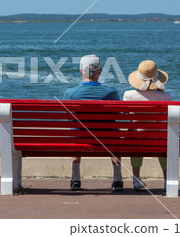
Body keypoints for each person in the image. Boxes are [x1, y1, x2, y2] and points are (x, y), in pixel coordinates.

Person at [63, 54, 124, 191]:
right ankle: (118, 179)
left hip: (80, 139)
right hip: (107, 140)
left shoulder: (70, 93)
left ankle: (75, 179)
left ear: (80, 72)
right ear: (100, 72)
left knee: (75, 132)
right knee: (116, 133)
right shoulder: (111, 93)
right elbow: (119, 116)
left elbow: (68, 119)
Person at [123, 60, 171, 191]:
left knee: (135, 136)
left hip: (137, 140)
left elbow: (125, 116)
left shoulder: (129, 95)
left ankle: (136, 179)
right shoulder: (167, 97)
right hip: (159, 141)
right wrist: (160, 92)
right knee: (164, 140)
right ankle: (167, 181)